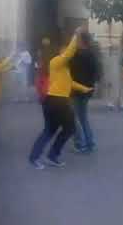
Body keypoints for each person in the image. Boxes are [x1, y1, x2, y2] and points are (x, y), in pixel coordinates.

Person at [29, 28, 93, 170]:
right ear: (60, 50)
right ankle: (43, 156)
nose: (67, 51)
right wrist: (76, 34)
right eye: (64, 49)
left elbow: (70, 83)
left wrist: (85, 89)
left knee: (53, 130)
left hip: (57, 102)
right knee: (67, 128)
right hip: (56, 101)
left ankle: (47, 156)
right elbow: (70, 52)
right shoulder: (55, 61)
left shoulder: (64, 68)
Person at [70, 32, 101, 153]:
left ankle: (81, 143)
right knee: (83, 117)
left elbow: (70, 68)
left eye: (77, 39)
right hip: (87, 90)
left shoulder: (77, 54)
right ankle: (89, 142)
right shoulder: (92, 54)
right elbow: (96, 73)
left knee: (75, 118)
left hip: (78, 90)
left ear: (81, 40)